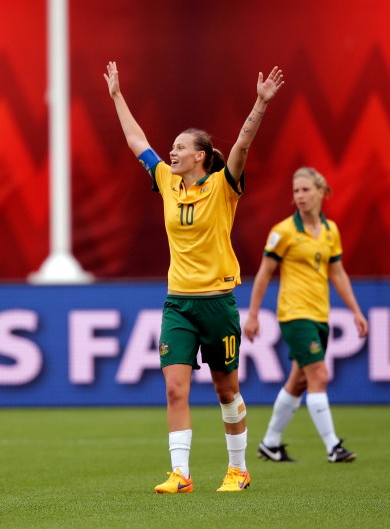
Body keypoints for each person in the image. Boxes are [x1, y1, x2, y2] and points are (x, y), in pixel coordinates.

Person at [104, 61, 284, 493]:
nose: (172, 152)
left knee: (226, 391)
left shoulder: (223, 186)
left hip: (218, 301)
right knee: (174, 389)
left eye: (180, 148)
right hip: (178, 303)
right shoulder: (167, 181)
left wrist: (260, 104)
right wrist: (116, 95)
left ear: (200, 156)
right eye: (172, 147)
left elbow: (241, 143)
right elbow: (136, 140)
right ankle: (180, 474)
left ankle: (238, 469)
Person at [243, 167, 368, 463]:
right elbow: (264, 274)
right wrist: (253, 314)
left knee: (299, 380)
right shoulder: (283, 231)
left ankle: (270, 443)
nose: (299, 196)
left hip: (319, 314)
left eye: (305, 190)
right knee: (319, 375)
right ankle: (333, 447)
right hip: (294, 314)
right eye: (296, 191)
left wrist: (355, 311)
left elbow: (337, 273)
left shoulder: (330, 230)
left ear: (322, 192)